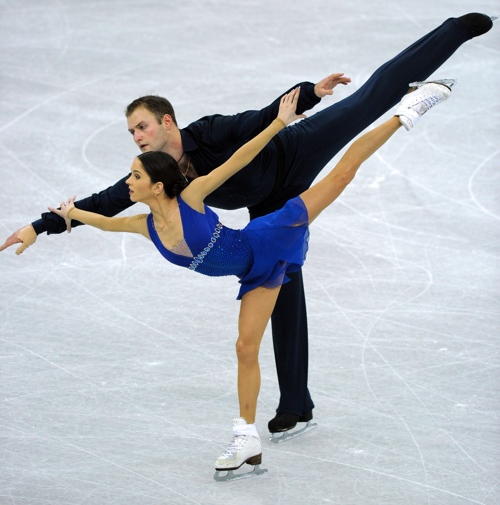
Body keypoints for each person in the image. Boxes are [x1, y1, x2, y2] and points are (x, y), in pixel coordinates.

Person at [1, 13, 495, 437]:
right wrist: (39, 227)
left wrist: (309, 93)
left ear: (167, 122)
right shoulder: (158, 176)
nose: (137, 137)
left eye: (142, 126)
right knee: (283, 289)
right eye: (131, 131)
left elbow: (258, 121)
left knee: (368, 101)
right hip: (270, 204)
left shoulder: (209, 132)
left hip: (294, 149)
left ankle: (453, 32)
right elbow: (102, 203)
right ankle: (296, 404)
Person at [48, 80, 453, 478]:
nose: (127, 183)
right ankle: (246, 438)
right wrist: (70, 214)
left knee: (341, 176)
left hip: (271, 235)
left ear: (156, 186)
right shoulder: (144, 225)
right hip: (256, 273)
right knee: (245, 347)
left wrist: (278, 123)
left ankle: (407, 112)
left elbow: (238, 159)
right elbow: (103, 220)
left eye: (134, 176)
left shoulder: (191, 197)